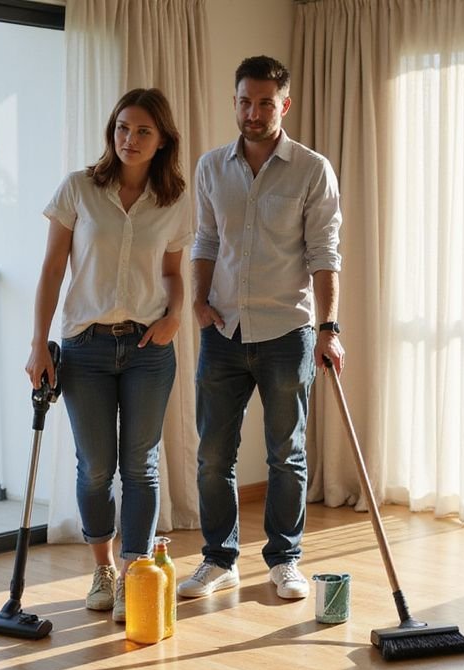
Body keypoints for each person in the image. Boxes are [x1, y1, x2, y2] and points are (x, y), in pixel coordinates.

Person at [178, 55, 344, 602]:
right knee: (213, 456)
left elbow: (324, 253)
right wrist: (198, 301)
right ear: (234, 102)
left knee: (285, 455)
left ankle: (285, 560)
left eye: (265, 103)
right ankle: (218, 560)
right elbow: (206, 240)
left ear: (284, 105)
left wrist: (329, 328)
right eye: (245, 102)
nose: (253, 113)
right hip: (222, 332)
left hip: (287, 333)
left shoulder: (312, 170)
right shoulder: (210, 167)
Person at [27, 88, 192, 623]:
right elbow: (53, 267)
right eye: (122, 127)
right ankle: (103, 570)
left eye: (143, 131)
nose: (130, 139)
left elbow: (172, 272)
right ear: (111, 131)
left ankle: (134, 572)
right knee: (96, 466)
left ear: (162, 139)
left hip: (148, 348)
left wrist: (174, 315)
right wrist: (38, 344)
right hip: (86, 347)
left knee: (141, 465)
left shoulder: (173, 199)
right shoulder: (79, 188)